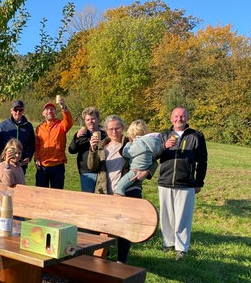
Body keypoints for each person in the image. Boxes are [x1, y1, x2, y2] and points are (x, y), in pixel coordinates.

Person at [88, 115, 157, 263]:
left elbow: (152, 159)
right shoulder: (102, 145)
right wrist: (93, 149)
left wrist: (147, 172)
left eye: (117, 128)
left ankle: (121, 261)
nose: (114, 132)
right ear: (106, 130)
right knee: (104, 228)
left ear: (123, 128)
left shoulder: (130, 141)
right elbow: (91, 167)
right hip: (105, 193)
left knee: (125, 229)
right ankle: (101, 258)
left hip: (128, 191)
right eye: (111, 129)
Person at [156, 107, 208, 261]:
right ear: (171, 118)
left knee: (183, 217)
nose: (180, 118)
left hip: (186, 183)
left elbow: (203, 161)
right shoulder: (163, 135)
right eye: (176, 116)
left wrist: (199, 182)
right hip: (165, 181)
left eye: (183, 116)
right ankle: (168, 243)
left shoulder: (196, 136)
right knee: (166, 216)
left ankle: (181, 248)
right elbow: (154, 154)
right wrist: (164, 147)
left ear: (187, 118)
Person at [34, 95, 74, 189]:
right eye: (47, 109)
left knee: (57, 194)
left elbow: (69, 121)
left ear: (55, 112)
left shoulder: (61, 125)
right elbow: (36, 145)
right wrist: (36, 158)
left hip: (57, 166)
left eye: (52, 109)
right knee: (40, 192)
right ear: (43, 113)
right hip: (43, 165)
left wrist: (63, 107)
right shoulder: (39, 128)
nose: (49, 111)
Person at [114, 120, 160, 196]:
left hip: (135, 171)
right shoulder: (149, 143)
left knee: (119, 188)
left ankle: (120, 196)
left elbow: (126, 153)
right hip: (139, 170)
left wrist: (128, 144)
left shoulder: (139, 143)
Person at [68, 107, 107, 192]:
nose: (90, 121)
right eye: (88, 119)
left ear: (98, 119)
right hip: (87, 171)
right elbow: (71, 150)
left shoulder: (105, 134)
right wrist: (77, 137)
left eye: (93, 119)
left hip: (103, 171)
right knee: (88, 198)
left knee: (103, 198)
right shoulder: (82, 134)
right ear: (85, 121)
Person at [0, 100, 35, 175]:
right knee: (6, 183)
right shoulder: (3, 126)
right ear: (11, 111)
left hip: (21, 165)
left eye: (20, 110)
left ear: (23, 111)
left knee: (19, 184)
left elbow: (32, 144)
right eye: (16, 110)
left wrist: (29, 156)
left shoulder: (28, 126)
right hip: (6, 163)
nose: (18, 112)